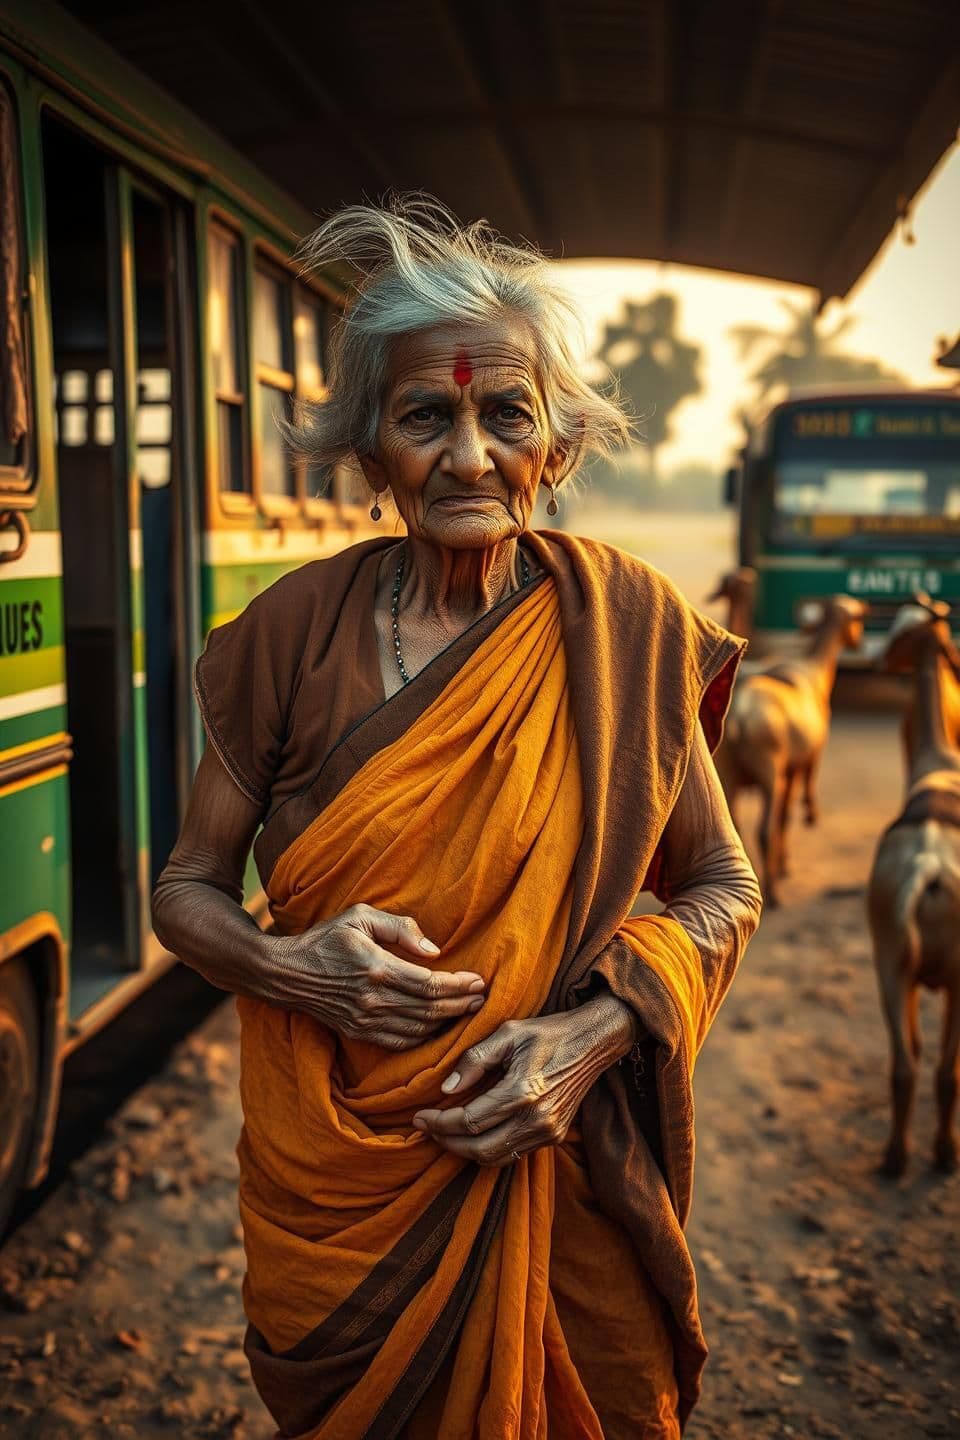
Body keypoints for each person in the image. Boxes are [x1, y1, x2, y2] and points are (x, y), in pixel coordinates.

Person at [152, 197, 762, 1440]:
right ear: (370, 447)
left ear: (557, 444)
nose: (471, 456)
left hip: (559, 1169)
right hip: (342, 1195)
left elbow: (722, 886)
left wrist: (589, 1037)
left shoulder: (623, 631)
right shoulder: (285, 637)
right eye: (427, 415)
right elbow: (186, 891)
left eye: (507, 414)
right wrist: (293, 969)